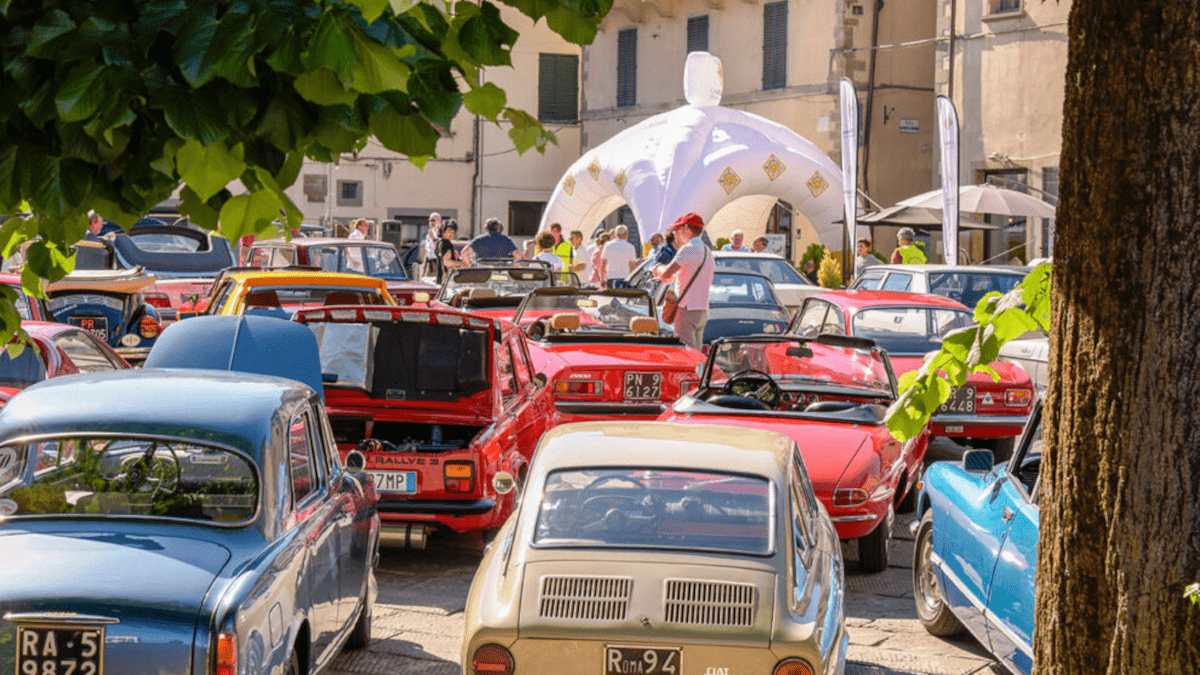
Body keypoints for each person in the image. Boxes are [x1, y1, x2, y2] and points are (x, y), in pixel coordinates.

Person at [653, 213, 715, 351]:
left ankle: (690, 374)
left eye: (676, 230)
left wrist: (658, 268)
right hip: (702, 309)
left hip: (687, 308)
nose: (674, 234)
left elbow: (667, 272)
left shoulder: (689, 248)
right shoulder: (707, 250)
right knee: (696, 354)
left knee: (686, 353)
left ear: (686, 228)